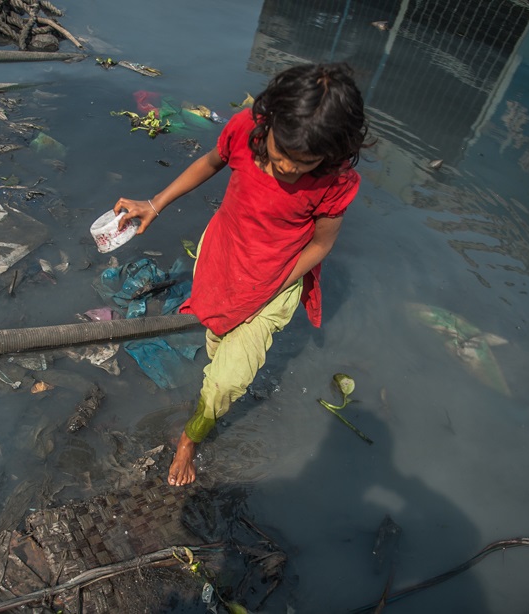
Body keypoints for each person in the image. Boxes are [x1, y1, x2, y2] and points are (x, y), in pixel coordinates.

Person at [114, 62, 370, 486]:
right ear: (267, 123)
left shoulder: (334, 182)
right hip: (223, 254)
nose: (287, 168)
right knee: (216, 342)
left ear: (333, 154)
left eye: (303, 162)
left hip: (279, 279)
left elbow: (321, 245)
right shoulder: (245, 128)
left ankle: (190, 439)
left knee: (228, 380)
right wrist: (155, 204)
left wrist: (274, 284)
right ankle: (211, 389)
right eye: (279, 153)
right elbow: (211, 162)